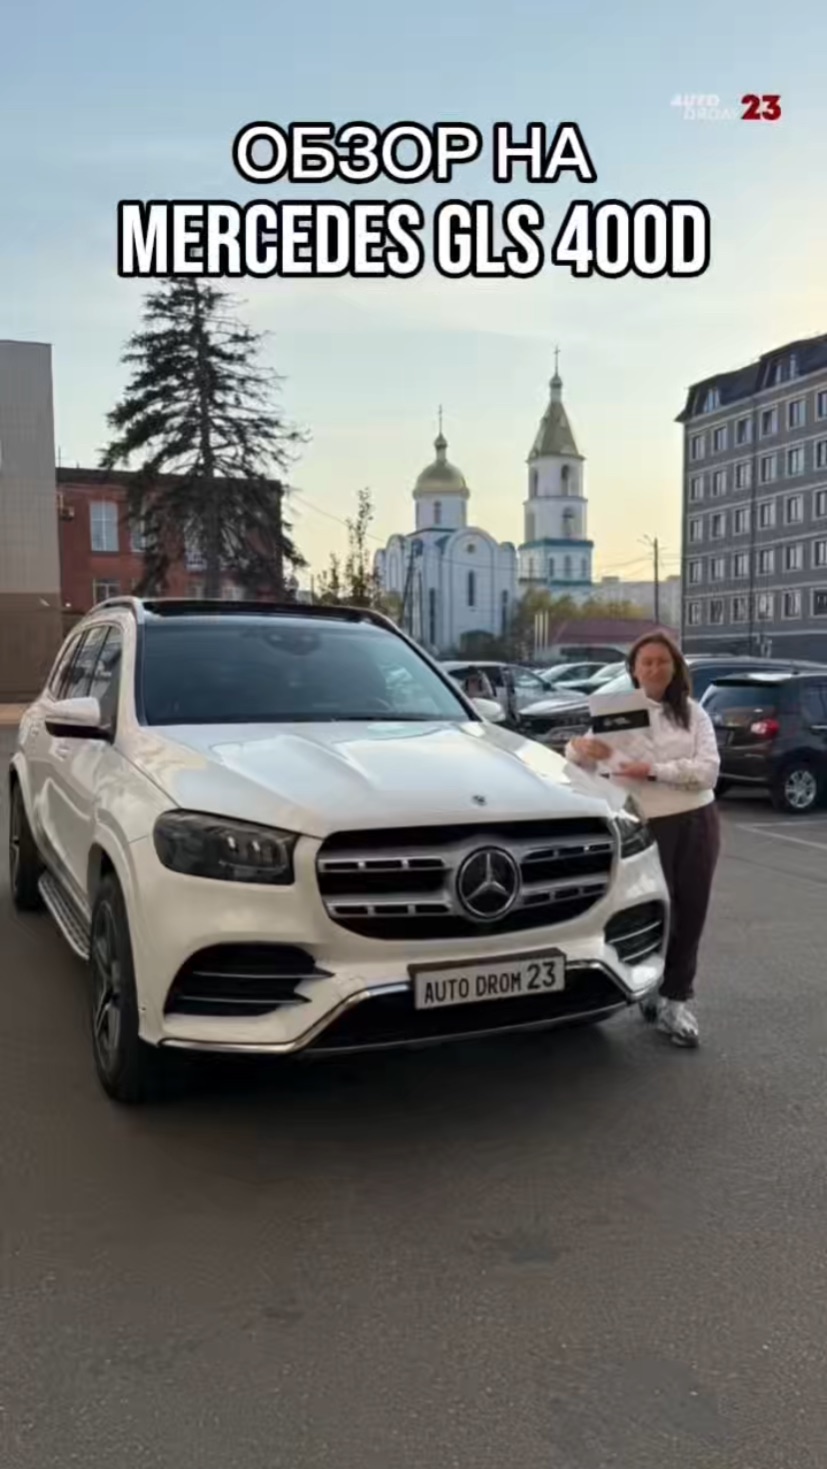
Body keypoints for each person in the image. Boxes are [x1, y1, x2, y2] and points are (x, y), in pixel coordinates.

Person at [566, 632, 721, 1049]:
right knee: (648, 913)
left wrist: (651, 770)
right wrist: (578, 748)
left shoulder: (692, 714)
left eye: (662, 661)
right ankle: (649, 987)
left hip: (694, 823)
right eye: (646, 662)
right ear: (634, 670)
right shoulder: (618, 714)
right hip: (641, 827)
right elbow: (580, 762)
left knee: (690, 912)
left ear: (675, 668)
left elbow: (708, 772)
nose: (655, 668)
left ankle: (676, 1001)